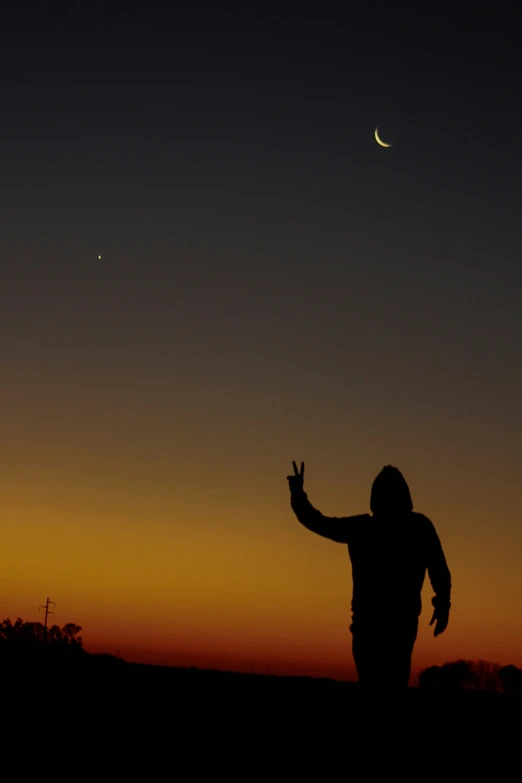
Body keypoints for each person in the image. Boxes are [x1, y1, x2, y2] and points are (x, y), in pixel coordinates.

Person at [287, 461, 451, 688]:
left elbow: (317, 522)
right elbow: (439, 570)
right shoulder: (418, 527)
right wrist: (443, 605)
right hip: (392, 626)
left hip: (377, 627)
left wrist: (297, 494)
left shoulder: (366, 528)